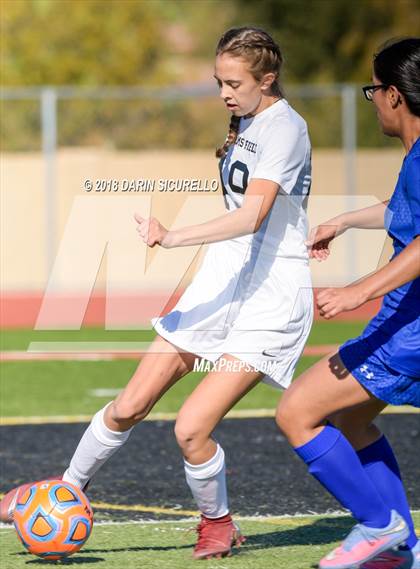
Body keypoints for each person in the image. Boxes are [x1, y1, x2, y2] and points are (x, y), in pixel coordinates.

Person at [0, 27, 313, 559]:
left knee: (191, 429)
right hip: (222, 282)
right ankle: (64, 492)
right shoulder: (248, 119)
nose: (223, 94)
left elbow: (254, 215)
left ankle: (217, 522)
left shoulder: (286, 129)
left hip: (269, 299)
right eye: (218, 82)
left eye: (233, 83)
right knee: (129, 404)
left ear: (268, 78)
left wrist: (173, 237)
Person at [276, 37, 420, 569]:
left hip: (410, 328)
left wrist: (360, 289)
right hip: (404, 322)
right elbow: (403, 213)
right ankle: (404, 547)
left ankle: (378, 525)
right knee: (351, 422)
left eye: (374, 91)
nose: (374, 101)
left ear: (395, 96)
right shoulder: (416, 157)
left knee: (297, 412)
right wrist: (342, 220)